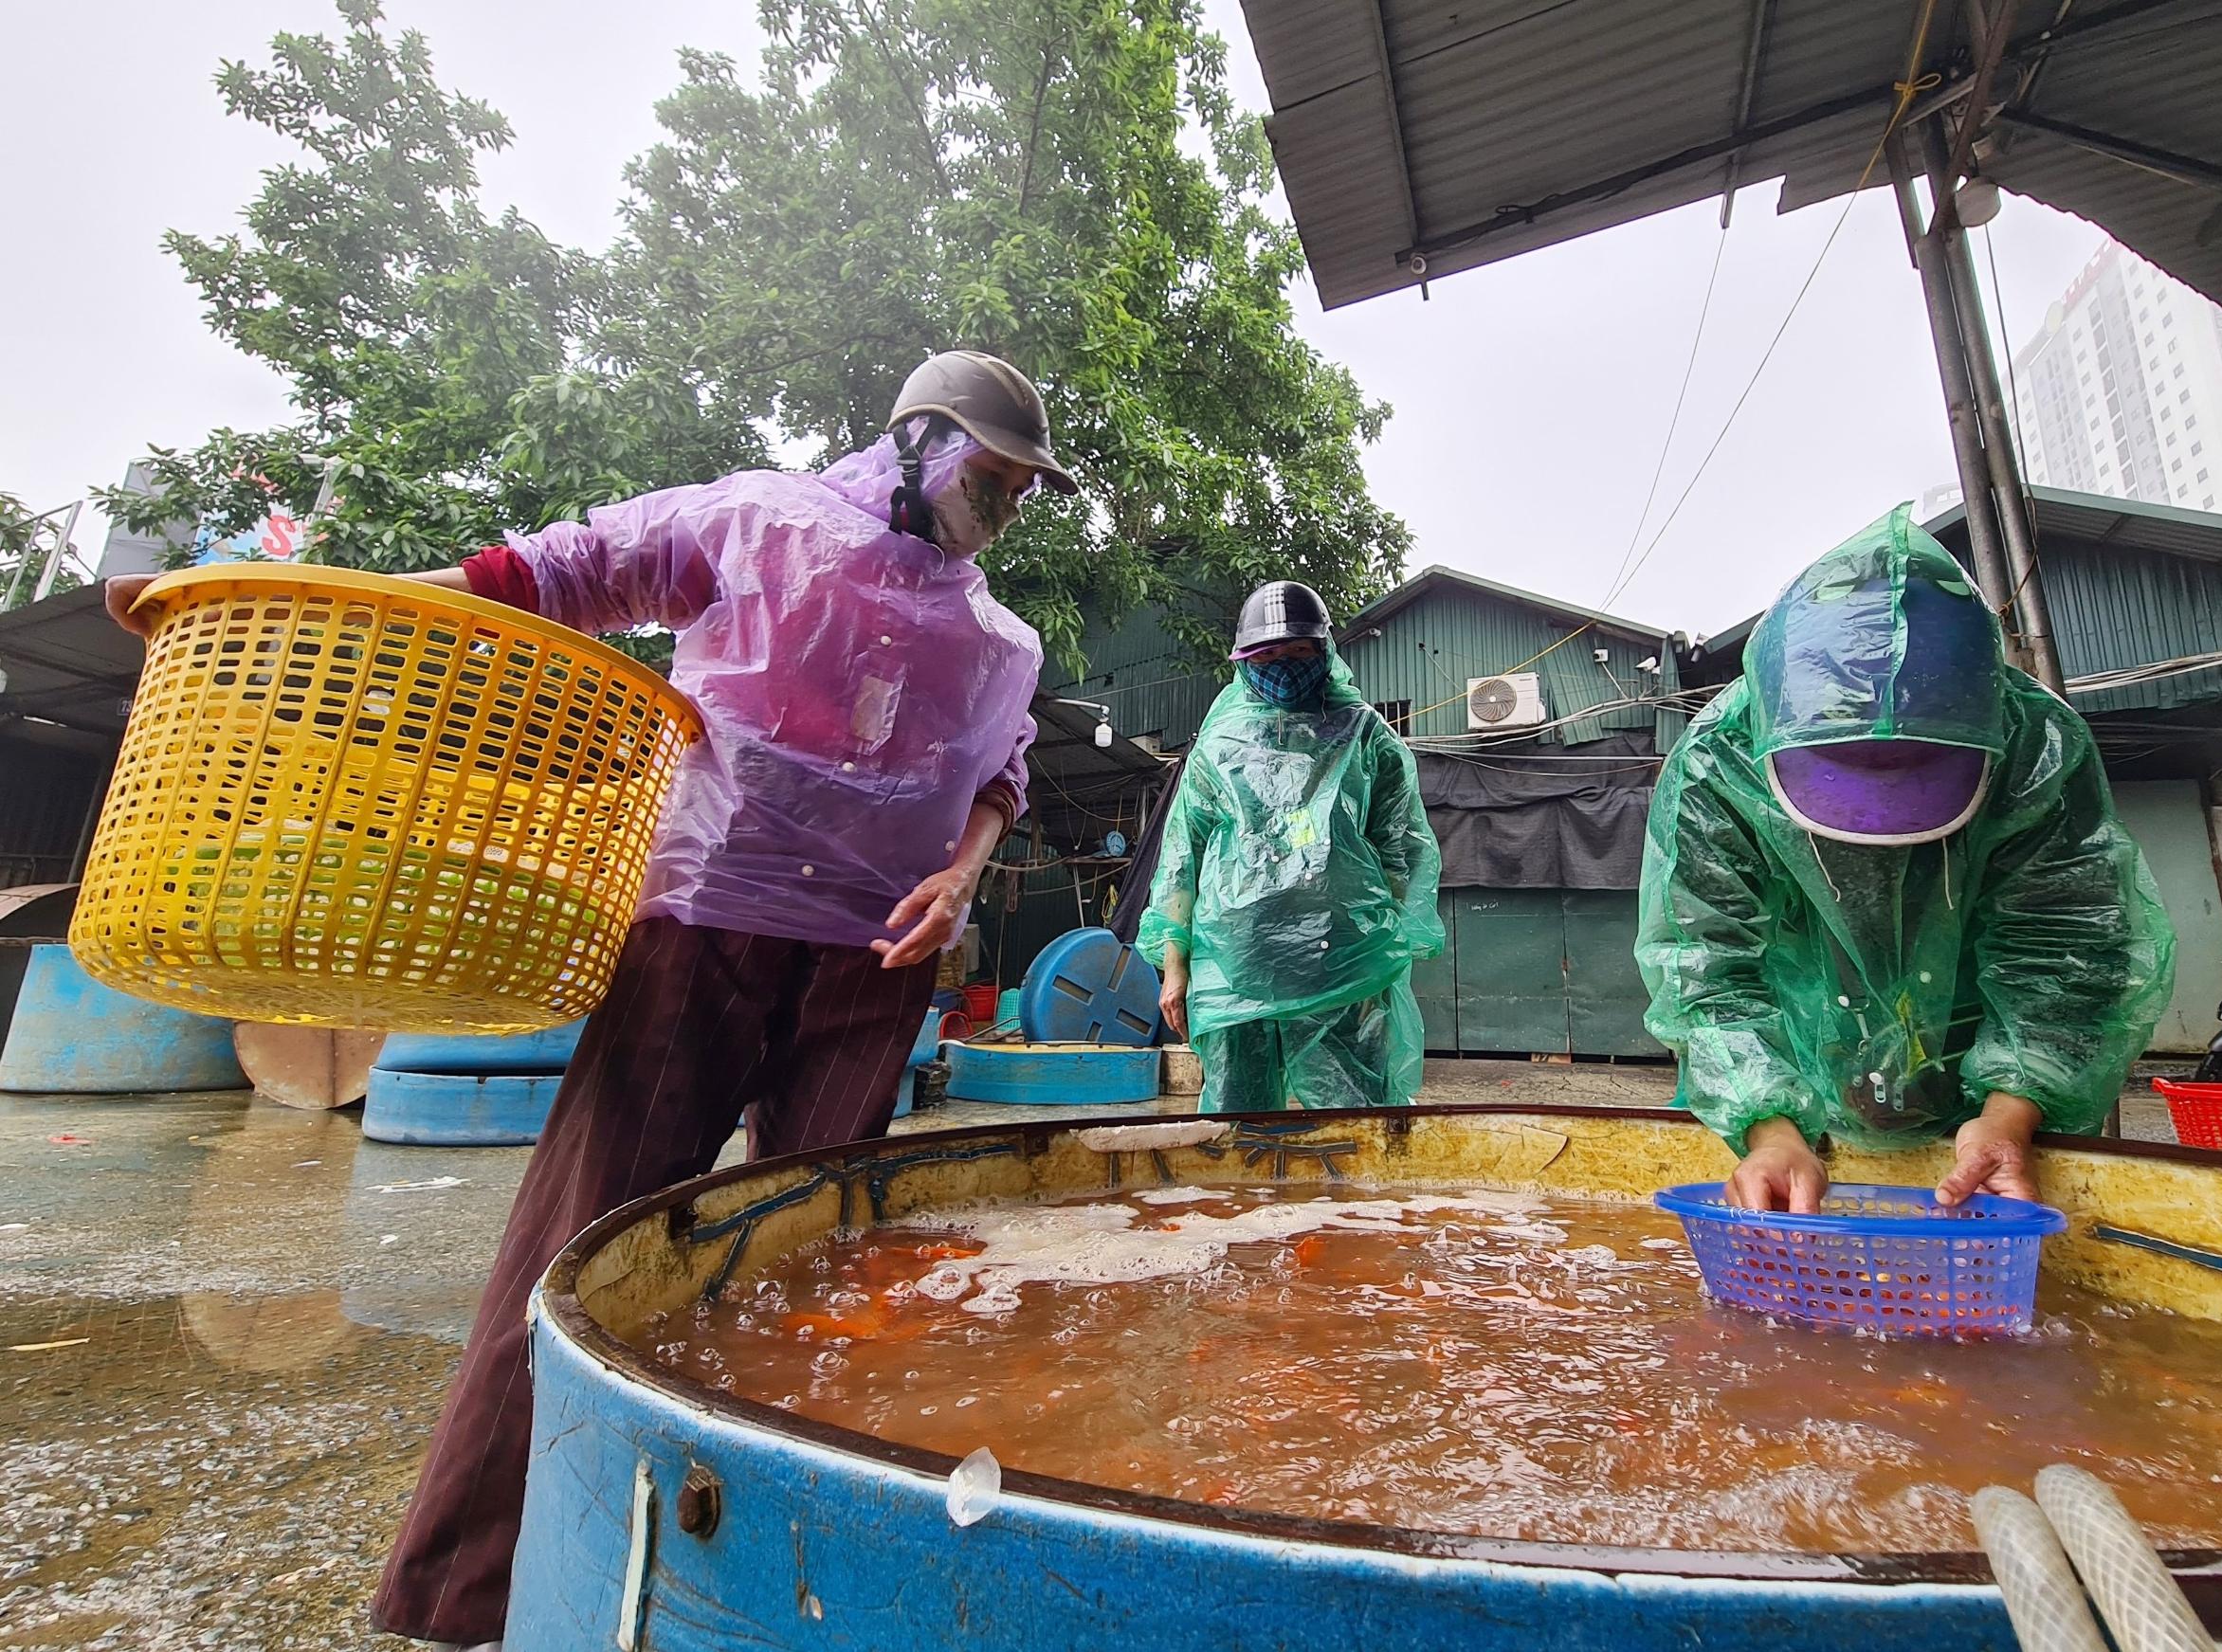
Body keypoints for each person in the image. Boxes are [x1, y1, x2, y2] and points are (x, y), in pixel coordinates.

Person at [108, 349, 1075, 1651]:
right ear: (920, 443)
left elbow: (1004, 772)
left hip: (874, 966)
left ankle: (762, 1573)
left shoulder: (998, 638)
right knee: (579, 1240)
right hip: (702, 930)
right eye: (996, 476)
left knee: (816, 1256)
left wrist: (961, 880)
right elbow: (562, 571)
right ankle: (462, 1595)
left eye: (1022, 489)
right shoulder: (759, 519)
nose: (1007, 505)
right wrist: (326, 602)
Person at [1635, 505, 2174, 1214]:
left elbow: (2068, 949)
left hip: (1992, 1119)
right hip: (1800, 1096)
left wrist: (2009, 1115)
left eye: (1913, 769)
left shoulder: (2033, 745)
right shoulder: (1719, 762)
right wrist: (1771, 1130)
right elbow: (1703, 966)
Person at [1139, 581, 1444, 1113]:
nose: (1283, 666)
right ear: (1244, 660)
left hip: (1341, 959)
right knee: (1238, 1123)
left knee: (1355, 1119)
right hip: (1235, 962)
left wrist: (1380, 958)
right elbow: (1182, 859)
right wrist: (1175, 965)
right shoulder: (1218, 745)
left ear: (1323, 650)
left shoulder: (1365, 735)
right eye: (1267, 654)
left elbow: (1398, 851)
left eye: (1298, 651)